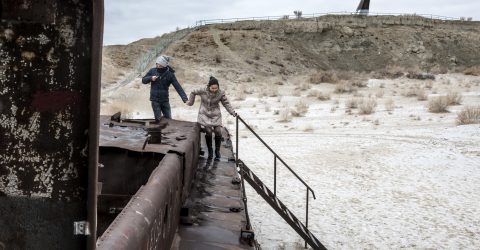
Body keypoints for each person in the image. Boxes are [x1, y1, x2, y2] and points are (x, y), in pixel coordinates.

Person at [186, 76, 237, 160]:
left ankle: (217, 150)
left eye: (216, 88)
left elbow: (226, 103)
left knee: (218, 132)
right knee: (208, 132)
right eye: (212, 88)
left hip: (215, 115)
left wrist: (232, 112)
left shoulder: (220, 93)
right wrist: (190, 102)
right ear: (209, 86)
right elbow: (193, 92)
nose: (214, 90)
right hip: (204, 114)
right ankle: (210, 150)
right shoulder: (202, 90)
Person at [142, 55, 188, 122]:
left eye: (160, 65)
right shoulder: (152, 71)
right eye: (157, 64)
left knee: (169, 119)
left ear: (164, 65)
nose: (158, 66)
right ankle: (159, 132)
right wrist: (151, 78)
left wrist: (185, 99)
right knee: (158, 120)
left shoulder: (170, 74)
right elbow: (143, 80)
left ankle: (167, 132)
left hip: (165, 100)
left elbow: (178, 87)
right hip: (155, 100)